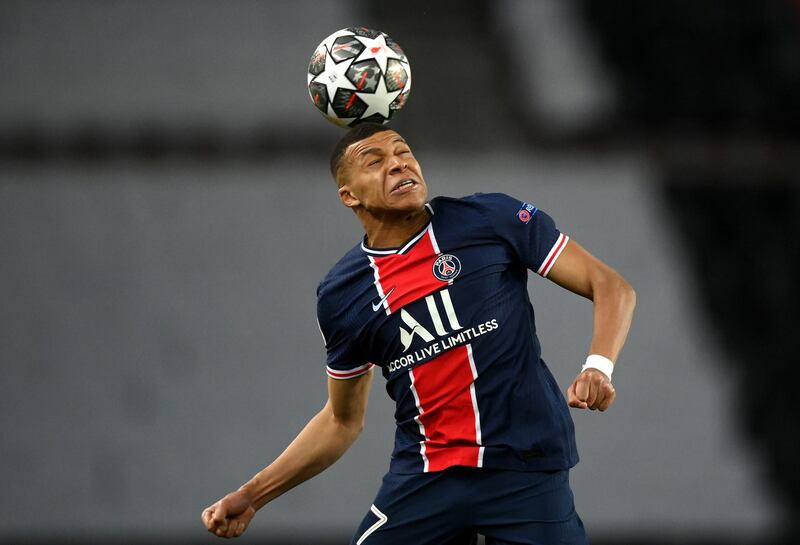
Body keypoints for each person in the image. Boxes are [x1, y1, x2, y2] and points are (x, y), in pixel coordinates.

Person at [201, 123, 636, 544]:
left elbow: (611, 286)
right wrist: (252, 495)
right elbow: (341, 421)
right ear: (348, 196)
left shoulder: (491, 218)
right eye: (375, 161)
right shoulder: (343, 294)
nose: (398, 165)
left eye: (403, 152)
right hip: (427, 480)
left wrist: (598, 366)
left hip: (525, 472)